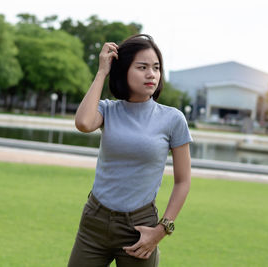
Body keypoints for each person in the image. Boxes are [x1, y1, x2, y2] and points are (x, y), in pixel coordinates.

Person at [68, 34, 192, 267]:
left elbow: (183, 181)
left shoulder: (173, 119)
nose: (151, 74)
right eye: (142, 67)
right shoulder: (108, 110)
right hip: (94, 221)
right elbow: (83, 123)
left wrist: (163, 229)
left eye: (156, 68)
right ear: (123, 70)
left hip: (140, 228)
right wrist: (102, 71)